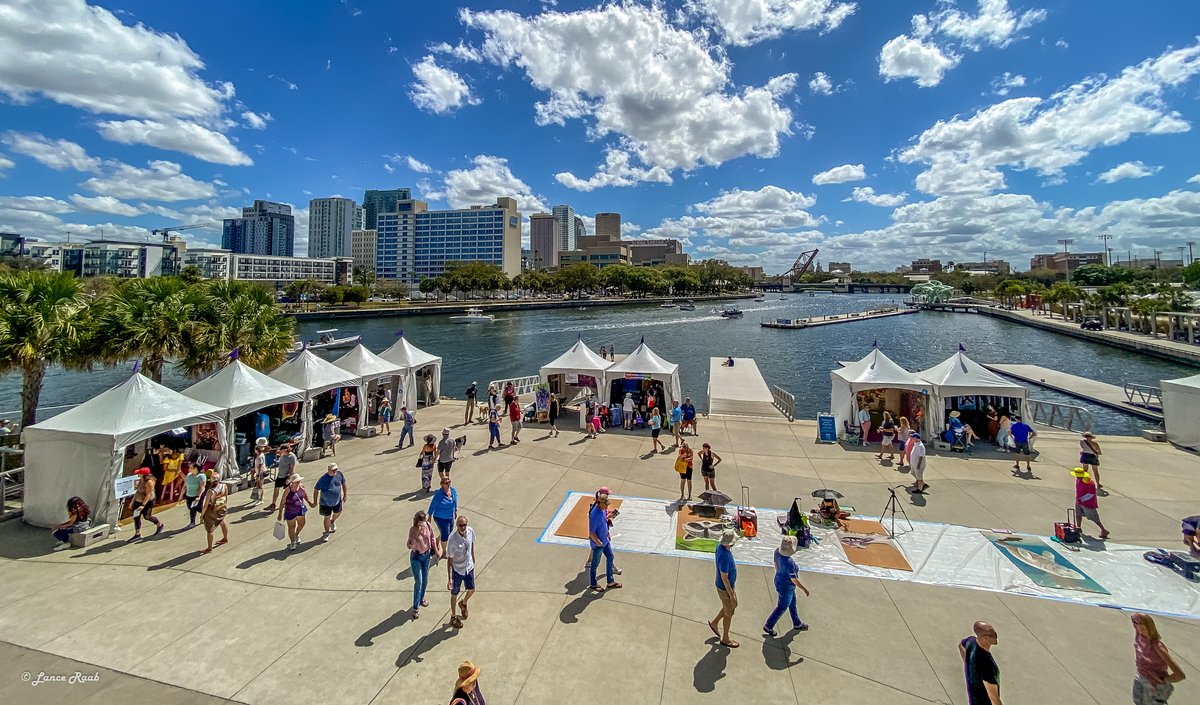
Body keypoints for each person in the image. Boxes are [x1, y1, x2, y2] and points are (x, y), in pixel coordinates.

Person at [1131, 612, 1186, 704]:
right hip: (1141, 677)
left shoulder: (1157, 647)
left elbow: (1180, 675)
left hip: (1154, 685)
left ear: (1150, 628)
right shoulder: (1139, 636)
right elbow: (1134, 618)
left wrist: (1164, 680)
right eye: (1137, 626)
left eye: (1143, 628)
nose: (1140, 630)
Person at [763, 535, 810, 637]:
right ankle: (769, 625)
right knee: (782, 606)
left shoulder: (776, 552)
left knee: (792, 603)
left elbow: (776, 565)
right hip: (787, 586)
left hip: (779, 580)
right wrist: (804, 589)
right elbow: (794, 580)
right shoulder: (789, 563)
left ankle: (797, 623)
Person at [588, 487, 623, 592]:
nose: (607, 506)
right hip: (598, 544)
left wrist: (607, 533)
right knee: (595, 564)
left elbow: (603, 522)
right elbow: (591, 533)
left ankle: (610, 581)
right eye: (606, 504)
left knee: (610, 557)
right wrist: (599, 543)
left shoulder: (603, 510)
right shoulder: (594, 515)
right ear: (600, 503)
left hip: (605, 540)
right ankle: (593, 584)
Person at [709, 530, 739, 648]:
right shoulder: (725, 557)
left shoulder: (720, 547)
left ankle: (714, 623)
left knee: (730, 608)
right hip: (725, 588)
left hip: (727, 587)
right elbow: (724, 577)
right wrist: (731, 595)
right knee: (729, 613)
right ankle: (725, 638)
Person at [959, 621, 1001, 705]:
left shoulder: (970, 642)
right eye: (993, 635)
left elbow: (960, 645)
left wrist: (968, 663)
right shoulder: (988, 665)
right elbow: (994, 698)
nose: (996, 636)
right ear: (986, 638)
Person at [446, 515, 476, 629]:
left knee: (472, 589)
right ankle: (453, 617)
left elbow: (472, 542)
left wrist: (473, 556)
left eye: (464, 525)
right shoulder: (453, 540)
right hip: (457, 570)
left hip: (469, 567)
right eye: (460, 525)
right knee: (454, 594)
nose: (463, 527)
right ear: (457, 526)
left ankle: (463, 603)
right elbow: (449, 560)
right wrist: (449, 579)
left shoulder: (470, 531)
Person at [407, 510, 435, 619]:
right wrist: (417, 533)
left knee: (425, 579)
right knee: (419, 581)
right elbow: (409, 546)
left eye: (423, 521)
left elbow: (432, 537)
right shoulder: (412, 530)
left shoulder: (428, 525)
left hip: (426, 555)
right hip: (416, 557)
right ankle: (415, 607)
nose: (423, 523)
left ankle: (421, 598)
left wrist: (436, 550)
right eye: (421, 522)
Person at [278, 473, 314, 550]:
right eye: (296, 481)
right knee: (291, 527)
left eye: (299, 481)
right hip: (290, 511)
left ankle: (296, 535)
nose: (298, 482)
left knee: (302, 524)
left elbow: (304, 495)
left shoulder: (301, 486)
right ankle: (292, 542)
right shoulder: (287, 490)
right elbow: (282, 502)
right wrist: (280, 513)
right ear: (292, 482)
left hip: (300, 510)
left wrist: (309, 502)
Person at [313, 462, 348, 542]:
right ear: (329, 470)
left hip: (337, 500)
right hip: (325, 503)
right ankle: (327, 533)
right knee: (326, 518)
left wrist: (345, 494)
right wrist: (315, 501)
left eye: (336, 469)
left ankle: (332, 522)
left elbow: (344, 483)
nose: (335, 471)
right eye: (333, 470)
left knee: (337, 513)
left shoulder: (340, 474)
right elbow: (316, 490)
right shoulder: (323, 479)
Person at [1071, 468, 1109, 539]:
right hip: (1079, 501)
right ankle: (1078, 528)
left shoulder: (1089, 483)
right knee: (1078, 515)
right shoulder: (1078, 479)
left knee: (1094, 517)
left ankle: (1103, 530)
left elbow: (1091, 494)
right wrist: (1078, 499)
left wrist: (1082, 499)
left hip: (1087, 503)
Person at [129, 467, 163, 540]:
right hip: (138, 499)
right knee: (136, 516)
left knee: (147, 516)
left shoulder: (149, 482)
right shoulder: (140, 479)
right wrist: (132, 501)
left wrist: (143, 505)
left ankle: (159, 525)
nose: (138, 474)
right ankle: (137, 534)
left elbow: (148, 494)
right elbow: (137, 491)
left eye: (139, 473)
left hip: (147, 501)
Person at [428, 477, 458, 558]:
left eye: (449, 482)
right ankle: (444, 552)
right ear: (441, 484)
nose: (448, 484)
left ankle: (437, 540)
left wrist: (455, 510)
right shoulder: (439, 494)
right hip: (440, 517)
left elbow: (455, 500)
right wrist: (429, 516)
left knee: (449, 532)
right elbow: (432, 505)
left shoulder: (453, 490)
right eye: (446, 483)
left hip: (450, 516)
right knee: (445, 534)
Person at [200, 470, 229, 554]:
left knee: (210, 530)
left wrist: (202, 515)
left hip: (213, 510)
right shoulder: (224, 486)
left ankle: (209, 548)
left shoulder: (210, 491)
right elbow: (226, 497)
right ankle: (225, 538)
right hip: (222, 507)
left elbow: (205, 505)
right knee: (222, 522)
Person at [265, 444, 296, 512]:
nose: (281, 452)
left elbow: (292, 467)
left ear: (286, 450)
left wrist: (289, 477)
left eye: (282, 451)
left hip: (286, 476)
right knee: (276, 489)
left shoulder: (291, 457)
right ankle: (273, 504)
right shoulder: (283, 453)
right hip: (280, 475)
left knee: (287, 491)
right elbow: (276, 451)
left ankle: (284, 503)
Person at [183, 460, 207, 527]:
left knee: (194, 508)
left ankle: (192, 522)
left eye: (191, 468)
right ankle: (206, 514)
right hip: (189, 494)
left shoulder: (201, 476)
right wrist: (181, 495)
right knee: (191, 507)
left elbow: (202, 487)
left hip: (197, 495)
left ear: (195, 469)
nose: (189, 469)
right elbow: (185, 485)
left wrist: (199, 495)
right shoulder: (188, 475)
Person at [248, 437, 268, 506]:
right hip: (258, 472)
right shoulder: (258, 455)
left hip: (261, 472)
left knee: (260, 486)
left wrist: (258, 474)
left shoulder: (260, 457)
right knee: (257, 485)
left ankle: (261, 499)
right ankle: (257, 497)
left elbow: (260, 465)